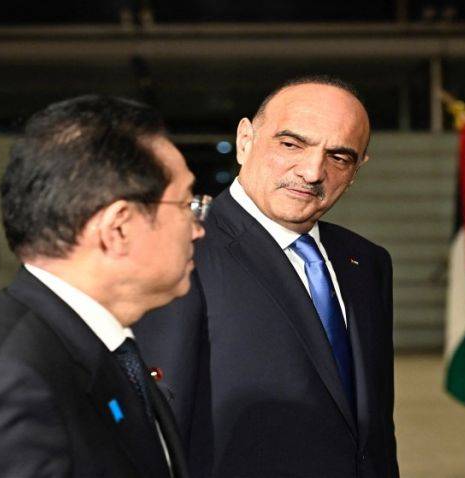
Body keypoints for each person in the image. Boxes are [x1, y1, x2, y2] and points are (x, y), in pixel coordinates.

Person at [0, 95, 206, 477]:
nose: (198, 228)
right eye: (187, 205)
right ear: (118, 228)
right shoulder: (0, 384)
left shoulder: (92, 344)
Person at [135, 76, 399, 477]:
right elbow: (156, 432)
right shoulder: (180, 252)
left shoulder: (366, 262)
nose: (312, 171)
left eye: (339, 157)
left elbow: (374, 427)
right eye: (291, 144)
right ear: (245, 140)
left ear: (357, 169)